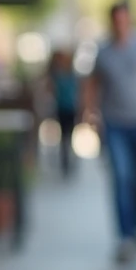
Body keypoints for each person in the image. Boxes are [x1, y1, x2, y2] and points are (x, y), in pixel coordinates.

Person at [83, 2, 136, 262]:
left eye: (124, 20)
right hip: (115, 124)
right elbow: (92, 85)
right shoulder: (104, 52)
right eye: (116, 20)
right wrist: (90, 114)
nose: (120, 25)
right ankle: (125, 236)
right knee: (121, 177)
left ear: (129, 20)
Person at [47, 49, 79, 177]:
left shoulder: (72, 75)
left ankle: (68, 159)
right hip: (61, 108)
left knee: (69, 135)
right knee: (63, 136)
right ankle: (64, 160)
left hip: (71, 108)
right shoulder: (56, 75)